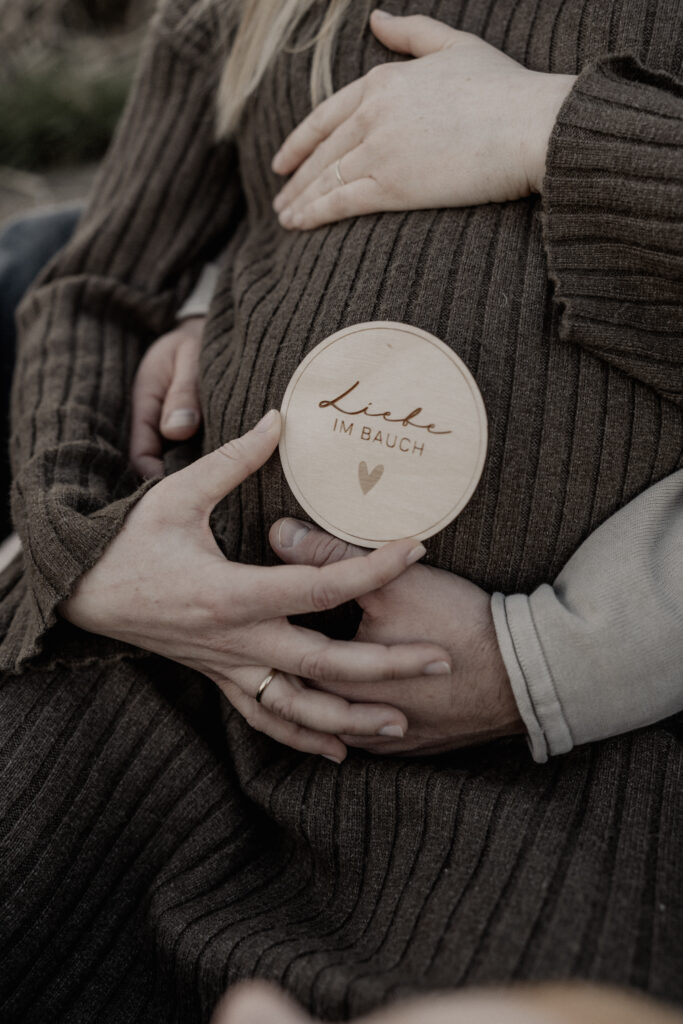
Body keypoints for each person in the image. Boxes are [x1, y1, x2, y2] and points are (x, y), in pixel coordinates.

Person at [0, 2, 681, 1023]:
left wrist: (552, 129)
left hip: (552, 765)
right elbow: (97, 285)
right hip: (163, 670)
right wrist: (90, 551)